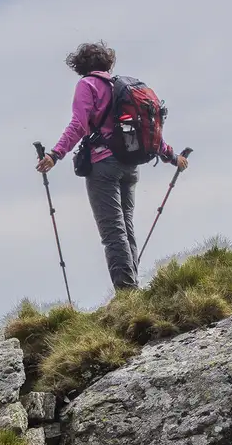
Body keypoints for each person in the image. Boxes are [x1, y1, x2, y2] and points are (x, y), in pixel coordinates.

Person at [36, 41, 186, 291]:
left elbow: (79, 125)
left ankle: (127, 292)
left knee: (113, 232)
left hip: (103, 165)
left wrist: (55, 154)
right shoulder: (124, 88)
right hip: (131, 165)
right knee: (126, 227)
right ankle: (132, 287)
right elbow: (149, 131)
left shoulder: (88, 85)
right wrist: (173, 157)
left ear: (80, 65)